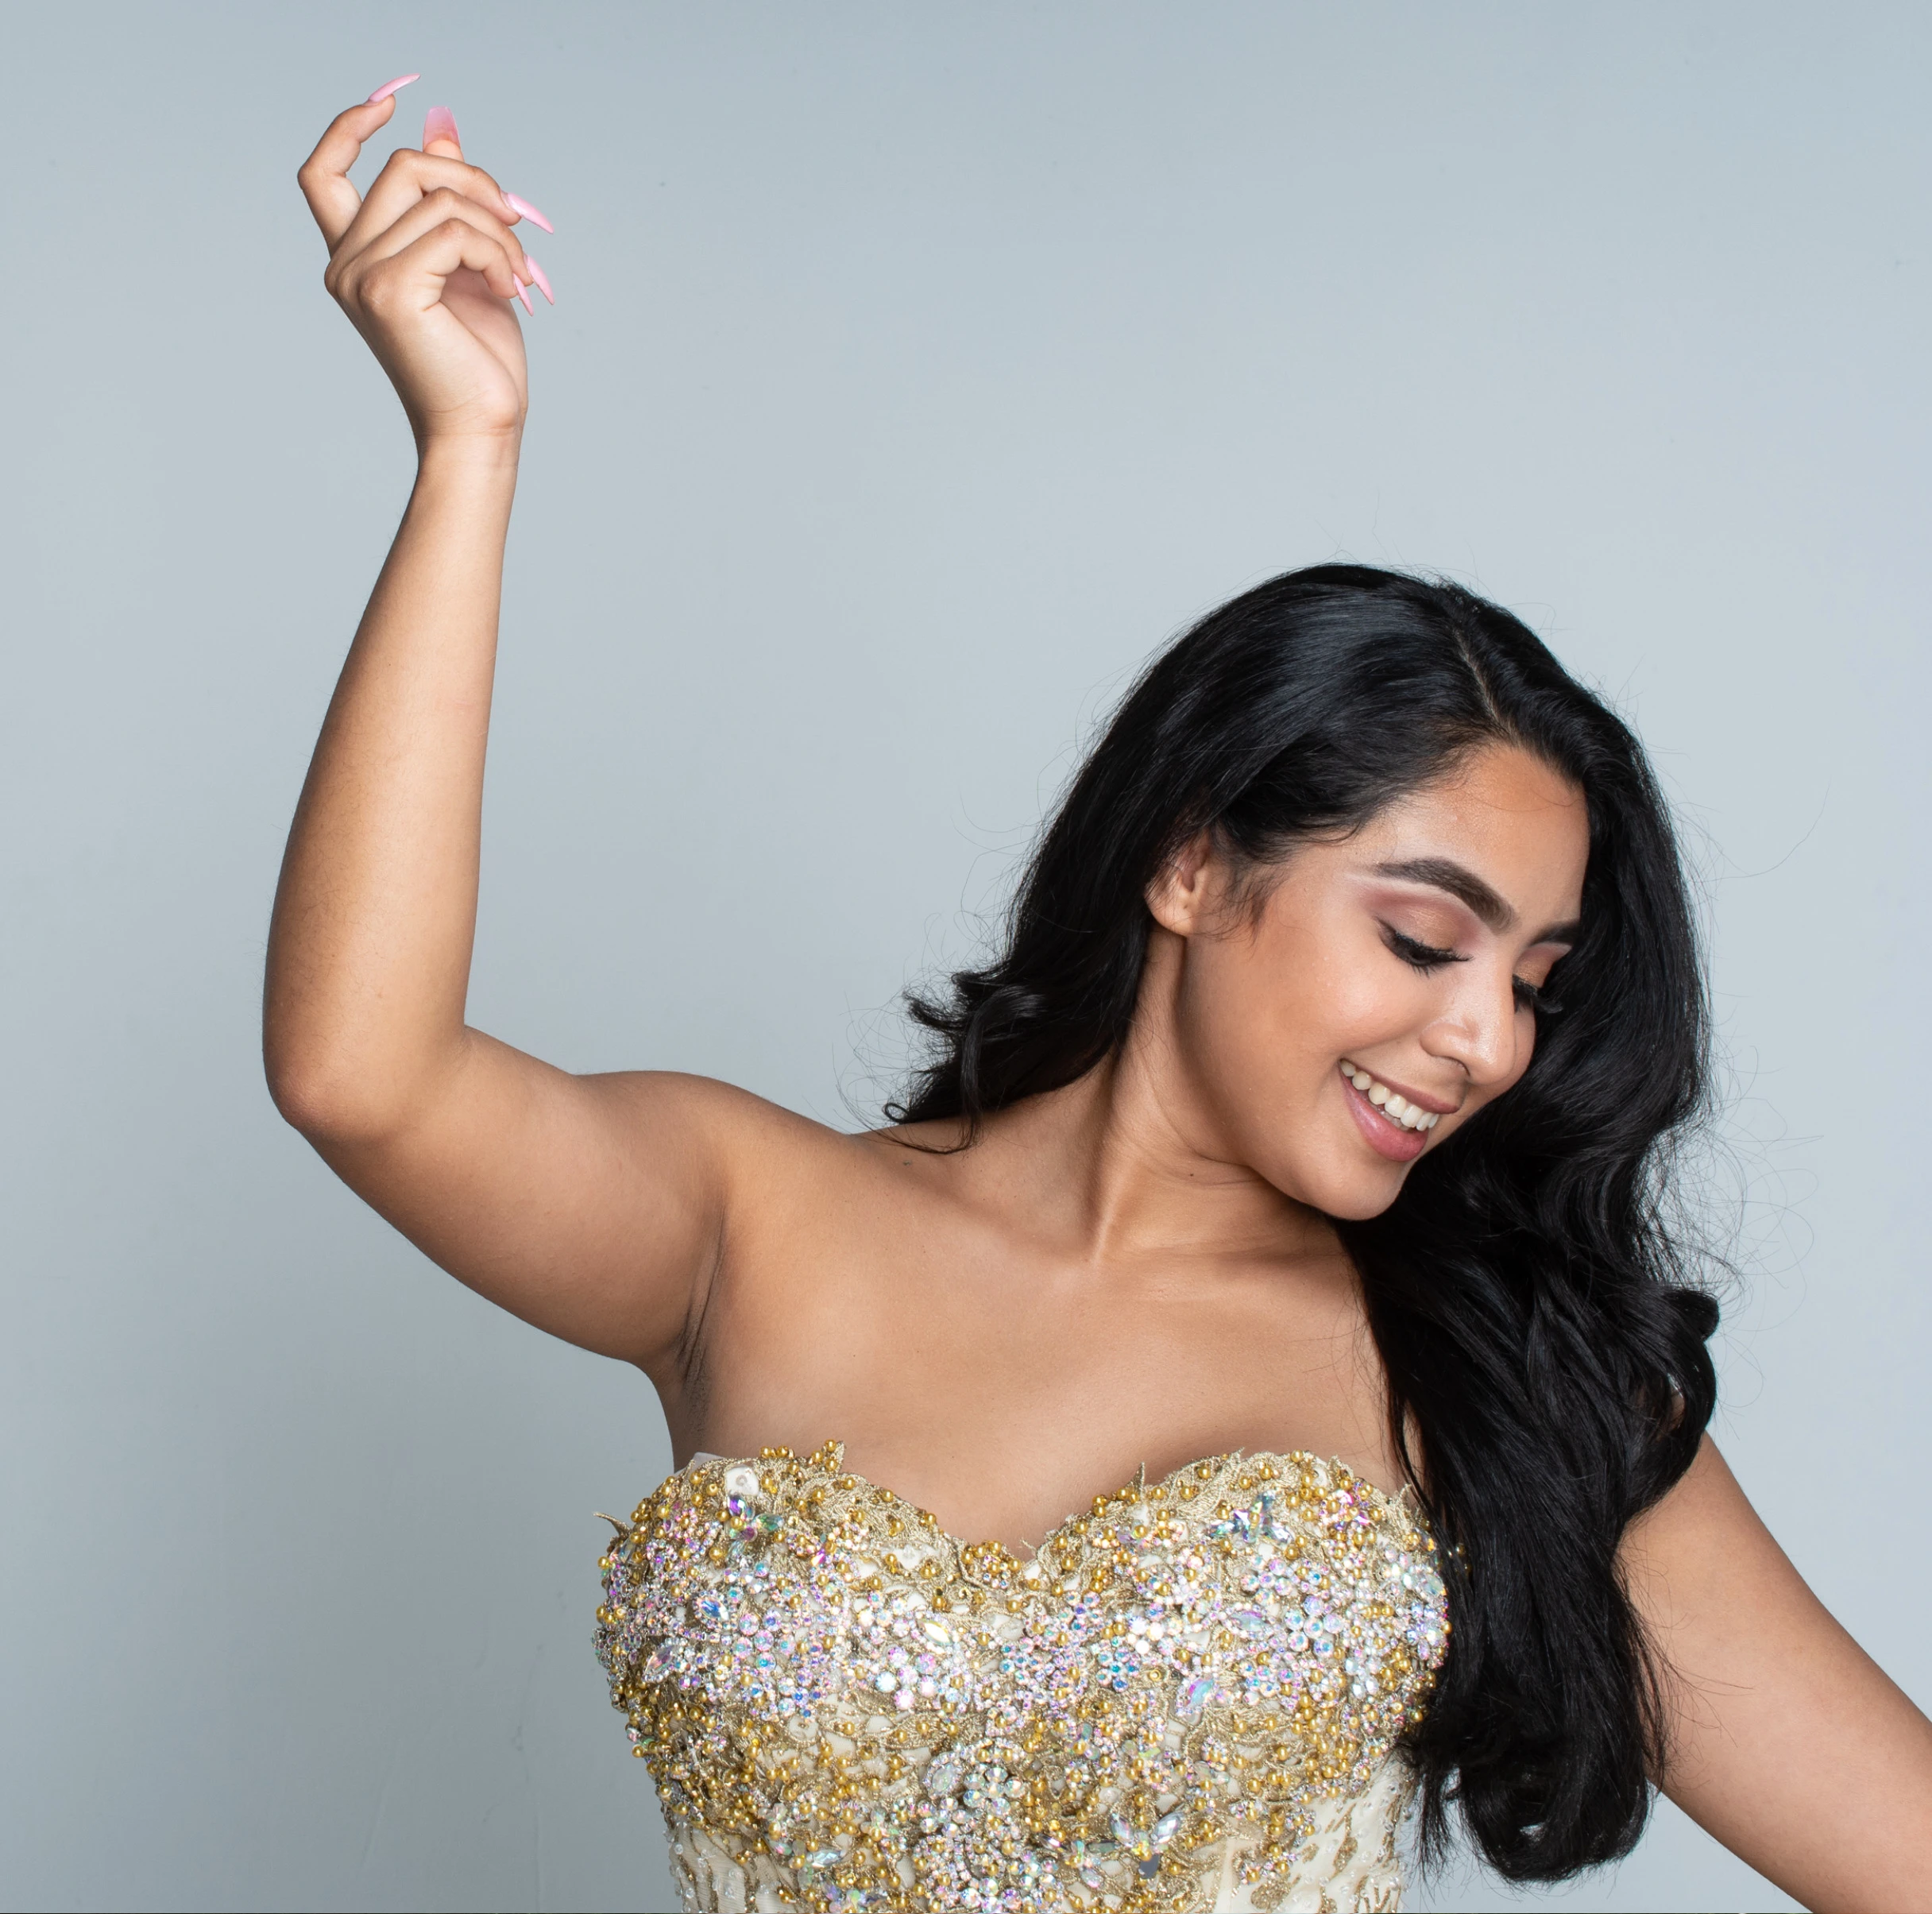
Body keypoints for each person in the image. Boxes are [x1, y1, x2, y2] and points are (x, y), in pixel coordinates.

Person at [271, 85, 1932, 1914]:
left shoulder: (1500, 1373)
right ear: (1195, 864)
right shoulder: (752, 1221)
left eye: (1537, 984)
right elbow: (364, 1076)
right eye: (1421, 938)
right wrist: (470, 449)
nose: (1488, 1040)